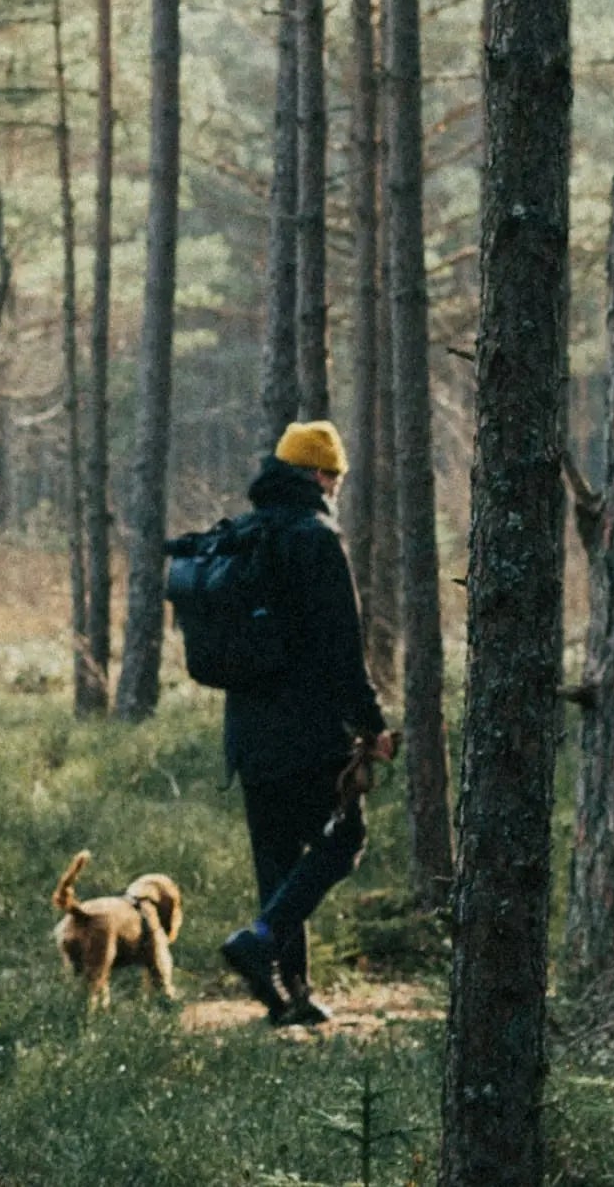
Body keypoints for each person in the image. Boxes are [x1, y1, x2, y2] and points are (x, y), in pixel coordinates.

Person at [216, 420, 397, 1026]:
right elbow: (343, 647)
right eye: (336, 478)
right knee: (343, 843)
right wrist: (372, 725)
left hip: (248, 735)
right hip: (309, 734)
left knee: (277, 860)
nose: (338, 488)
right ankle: (260, 940)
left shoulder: (245, 534)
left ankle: (290, 996)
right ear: (320, 476)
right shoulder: (318, 539)